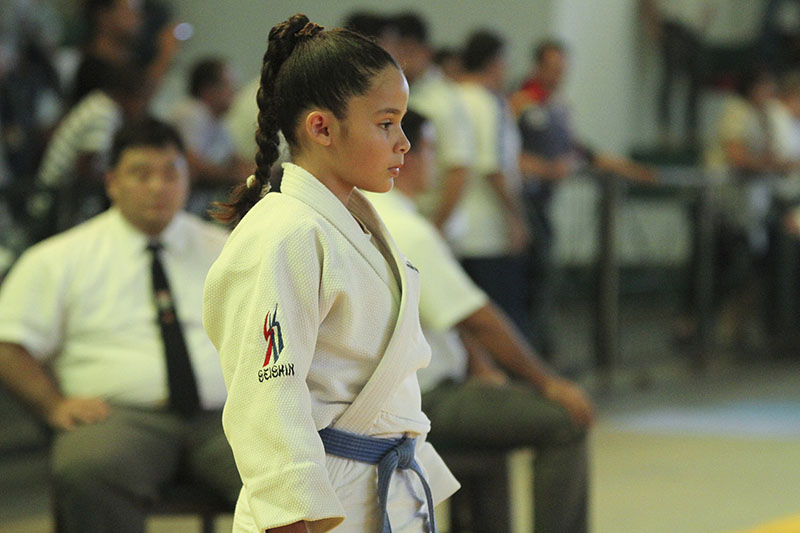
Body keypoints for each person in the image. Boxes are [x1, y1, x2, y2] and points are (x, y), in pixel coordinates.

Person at [202, 14, 457, 533]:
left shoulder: (352, 222)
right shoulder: (284, 234)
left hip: (376, 487)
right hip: (319, 506)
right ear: (321, 127)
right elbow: (266, 402)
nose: (403, 142)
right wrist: (292, 519)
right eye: (386, 123)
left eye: (402, 123)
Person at [0, 117, 240, 533]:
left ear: (187, 179)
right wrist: (53, 404)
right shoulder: (60, 258)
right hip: (120, 416)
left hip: (226, 414)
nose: (157, 187)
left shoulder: (226, 249)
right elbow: (9, 343)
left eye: (171, 173)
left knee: (294, 467)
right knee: (86, 469)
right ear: (112, 182)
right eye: (140, 174)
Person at [366, 108, 594, 533]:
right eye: (430, 148)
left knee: (496, 406)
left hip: (398, 398)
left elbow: (446, 315)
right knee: (565, 420)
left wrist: (480, 365)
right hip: (424, 402)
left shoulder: (368, 213)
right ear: (407, 154)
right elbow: (478, 318)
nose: (433, 160)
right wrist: (548, 381)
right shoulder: (405, 226)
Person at [511, 39, 656, 361]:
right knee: (533, 276)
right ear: (537, 66)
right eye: (552, 67)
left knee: (546, 273)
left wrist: (631, 170)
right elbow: (504, 153)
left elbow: (581, 151)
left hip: (544, 205)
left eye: (563, 68)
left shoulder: (560, 106)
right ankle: (528, 350)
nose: (559, 74)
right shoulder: (519, 102)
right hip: (521, 203)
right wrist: (547, 169)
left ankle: (540, 346)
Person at [454, 29, 531, 339]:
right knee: (499, 319)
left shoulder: (450, 97)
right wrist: (517, 217)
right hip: (488, 232)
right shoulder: (490, 104)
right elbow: (494, 168)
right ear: (495, 63)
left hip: (456, 229)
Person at [33, 63, 152, 236]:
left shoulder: (99, 102)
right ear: (125, 95)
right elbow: (85, 168)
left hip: (60, 199)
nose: (144, 106)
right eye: (142, 98)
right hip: (55, 204)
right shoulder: (104, 114)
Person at [383, 12, 476, 232]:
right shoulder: (405, 92)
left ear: (424, 50)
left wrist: (436, 230)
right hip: (407, 216)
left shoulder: (443, 100)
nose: (396, 57)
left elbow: (459, 169)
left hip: (433, 222)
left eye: (403, 50)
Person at [167, 56, 252, 217]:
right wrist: (237, 176)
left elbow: (236, 161)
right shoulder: (191, 112)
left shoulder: (219, 122)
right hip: (177, 209)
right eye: (228, 85)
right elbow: (193, 166)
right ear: (208, 89)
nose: (235, 91)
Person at [70, 0, 180, 104]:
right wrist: (164, 56)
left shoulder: (132, 66)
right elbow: (134, 107)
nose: (139, 16)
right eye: (130, 9)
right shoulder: (73, 62)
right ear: (103, 15)